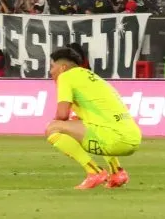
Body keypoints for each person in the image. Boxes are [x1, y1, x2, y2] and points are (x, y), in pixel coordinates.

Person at [45, 47, 140, 190]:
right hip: (133, 137)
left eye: (52, 67)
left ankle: (94, 172)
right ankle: (117, 172)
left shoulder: (65, 77)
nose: (50, 72)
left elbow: (62, 115)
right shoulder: (92, 77)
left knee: (52, 128)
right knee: (84, 122)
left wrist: (58, 123)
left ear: (63, 67)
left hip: (114, 140)